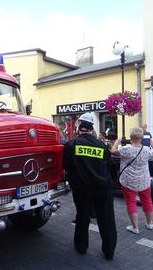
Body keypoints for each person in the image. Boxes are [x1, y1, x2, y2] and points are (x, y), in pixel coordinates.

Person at [64, 112, 117, 261]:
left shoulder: (71, 144)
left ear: (79, 129)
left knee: (82, 217)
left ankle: (81, 247)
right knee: (106, 219)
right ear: (92, 130)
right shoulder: (102, 145)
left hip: (83, 189)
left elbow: (67, 166)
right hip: (103, 188)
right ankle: (109, 251)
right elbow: (108, 165)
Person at [110, 127, 153, 234]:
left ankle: (135, 227)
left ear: (130, 138)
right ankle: (150, 224)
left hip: (128, 180)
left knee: (131, 202)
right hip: (143, 181)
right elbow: (152, 153)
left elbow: (112, 151)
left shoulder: (126, 150)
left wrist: (117, 142)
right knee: (147, 201)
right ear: (141, 138)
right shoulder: (147, 150)